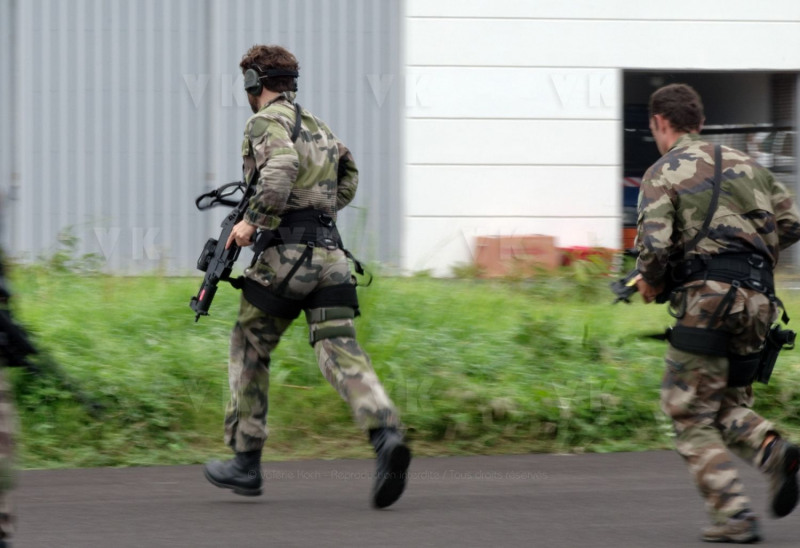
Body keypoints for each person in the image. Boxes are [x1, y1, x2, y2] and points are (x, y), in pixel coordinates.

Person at [203, 44, 411, 509]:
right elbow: (349, 173)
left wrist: (252, 222)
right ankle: (385, 434)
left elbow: (280, 168)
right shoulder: (318, 125)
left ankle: (245, 461)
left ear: (254, 83)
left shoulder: (264, 122)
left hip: (286, 258)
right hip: (332, 257)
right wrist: (319, 211)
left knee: (250, 343)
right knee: (339, 347)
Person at [635, 83, 800, 543]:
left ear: (659, 123)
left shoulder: (662, 171)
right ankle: (773, 449)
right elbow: (791, 223)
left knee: (688, 413)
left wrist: (652, 281)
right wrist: (748, 255)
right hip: (759, 301)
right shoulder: (751, 166)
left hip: (707, 303)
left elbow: (654, 247)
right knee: (726, 403)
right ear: (701, 123)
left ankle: (735, 516)